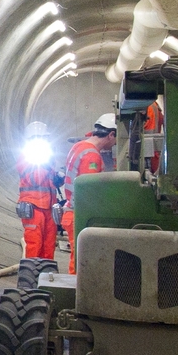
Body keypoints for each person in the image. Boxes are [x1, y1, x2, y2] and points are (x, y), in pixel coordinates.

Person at [60, 113, 117, 273]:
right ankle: (78, 294)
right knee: (81, 263)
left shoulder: (79, 146)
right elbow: (88, 192)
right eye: (115, 139)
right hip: (80, 216)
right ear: (111, 134)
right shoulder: (91, 156)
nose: (115, 144)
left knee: (78, 258)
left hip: (72, 212)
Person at [16, 121, 58, 263]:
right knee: (35, 245)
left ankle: (46, 278)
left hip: (49, 208)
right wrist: (45, 165)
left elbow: (49, 182)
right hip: (34, 208)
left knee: (48, 246)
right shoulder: (26, 157)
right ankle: (29, 281)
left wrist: (58, 177)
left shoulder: (47, 157)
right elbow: (35, 179)